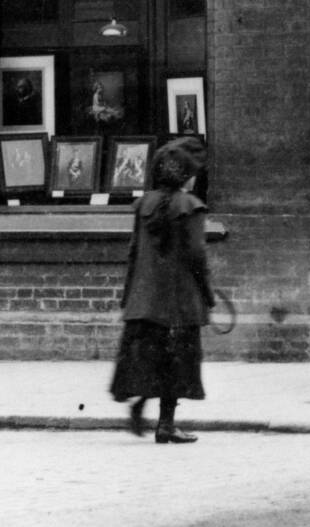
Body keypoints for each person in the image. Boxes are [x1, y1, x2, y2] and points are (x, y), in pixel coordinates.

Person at [110, 135, 212, 443]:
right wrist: (207, 293)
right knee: (177, 362)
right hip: (179, 302)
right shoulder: (191, 207)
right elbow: (197, 255)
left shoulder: (143, 205)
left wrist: (128, 295)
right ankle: (166, 424)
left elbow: (133, 252)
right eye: (192, 174)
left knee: (148, 359)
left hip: (144, 300)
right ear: (184, 176)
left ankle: (141, 405)